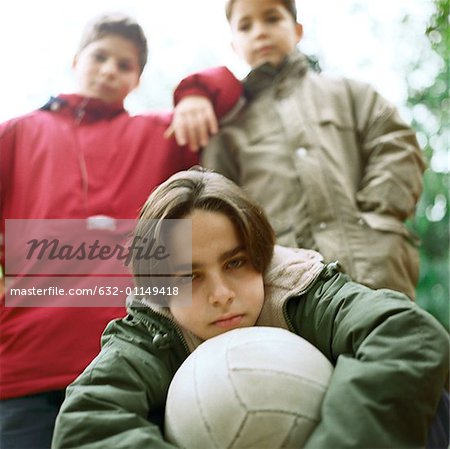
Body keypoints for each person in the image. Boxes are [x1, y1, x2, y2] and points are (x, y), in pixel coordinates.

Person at [52, 167, 449, 449]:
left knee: (422, 397)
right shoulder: (149, 329)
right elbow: (88, 423)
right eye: (190, 277)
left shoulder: (299, 288)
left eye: (235, 263)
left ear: (260, 256)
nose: (221, 293)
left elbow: (406, 334)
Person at [0, 13, 242, 449]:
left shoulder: (158, 133)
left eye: (125, 65)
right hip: (26, 367)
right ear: (76, 60)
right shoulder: (17, 134)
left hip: (137, 360)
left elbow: (228, 84)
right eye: (101, 57)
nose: (110, 69)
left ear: (137, 79)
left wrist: (193, 95)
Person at [174, 0, 426, 299]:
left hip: (375, 268)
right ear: (234, 45)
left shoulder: (349, 93)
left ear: (297, 30)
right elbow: (218, 204)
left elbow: (396, 145)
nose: (260, 32)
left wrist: (376, 217)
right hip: (287, 286)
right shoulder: (229, 128)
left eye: (271, 19)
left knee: (392, 341)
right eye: (246, 26)